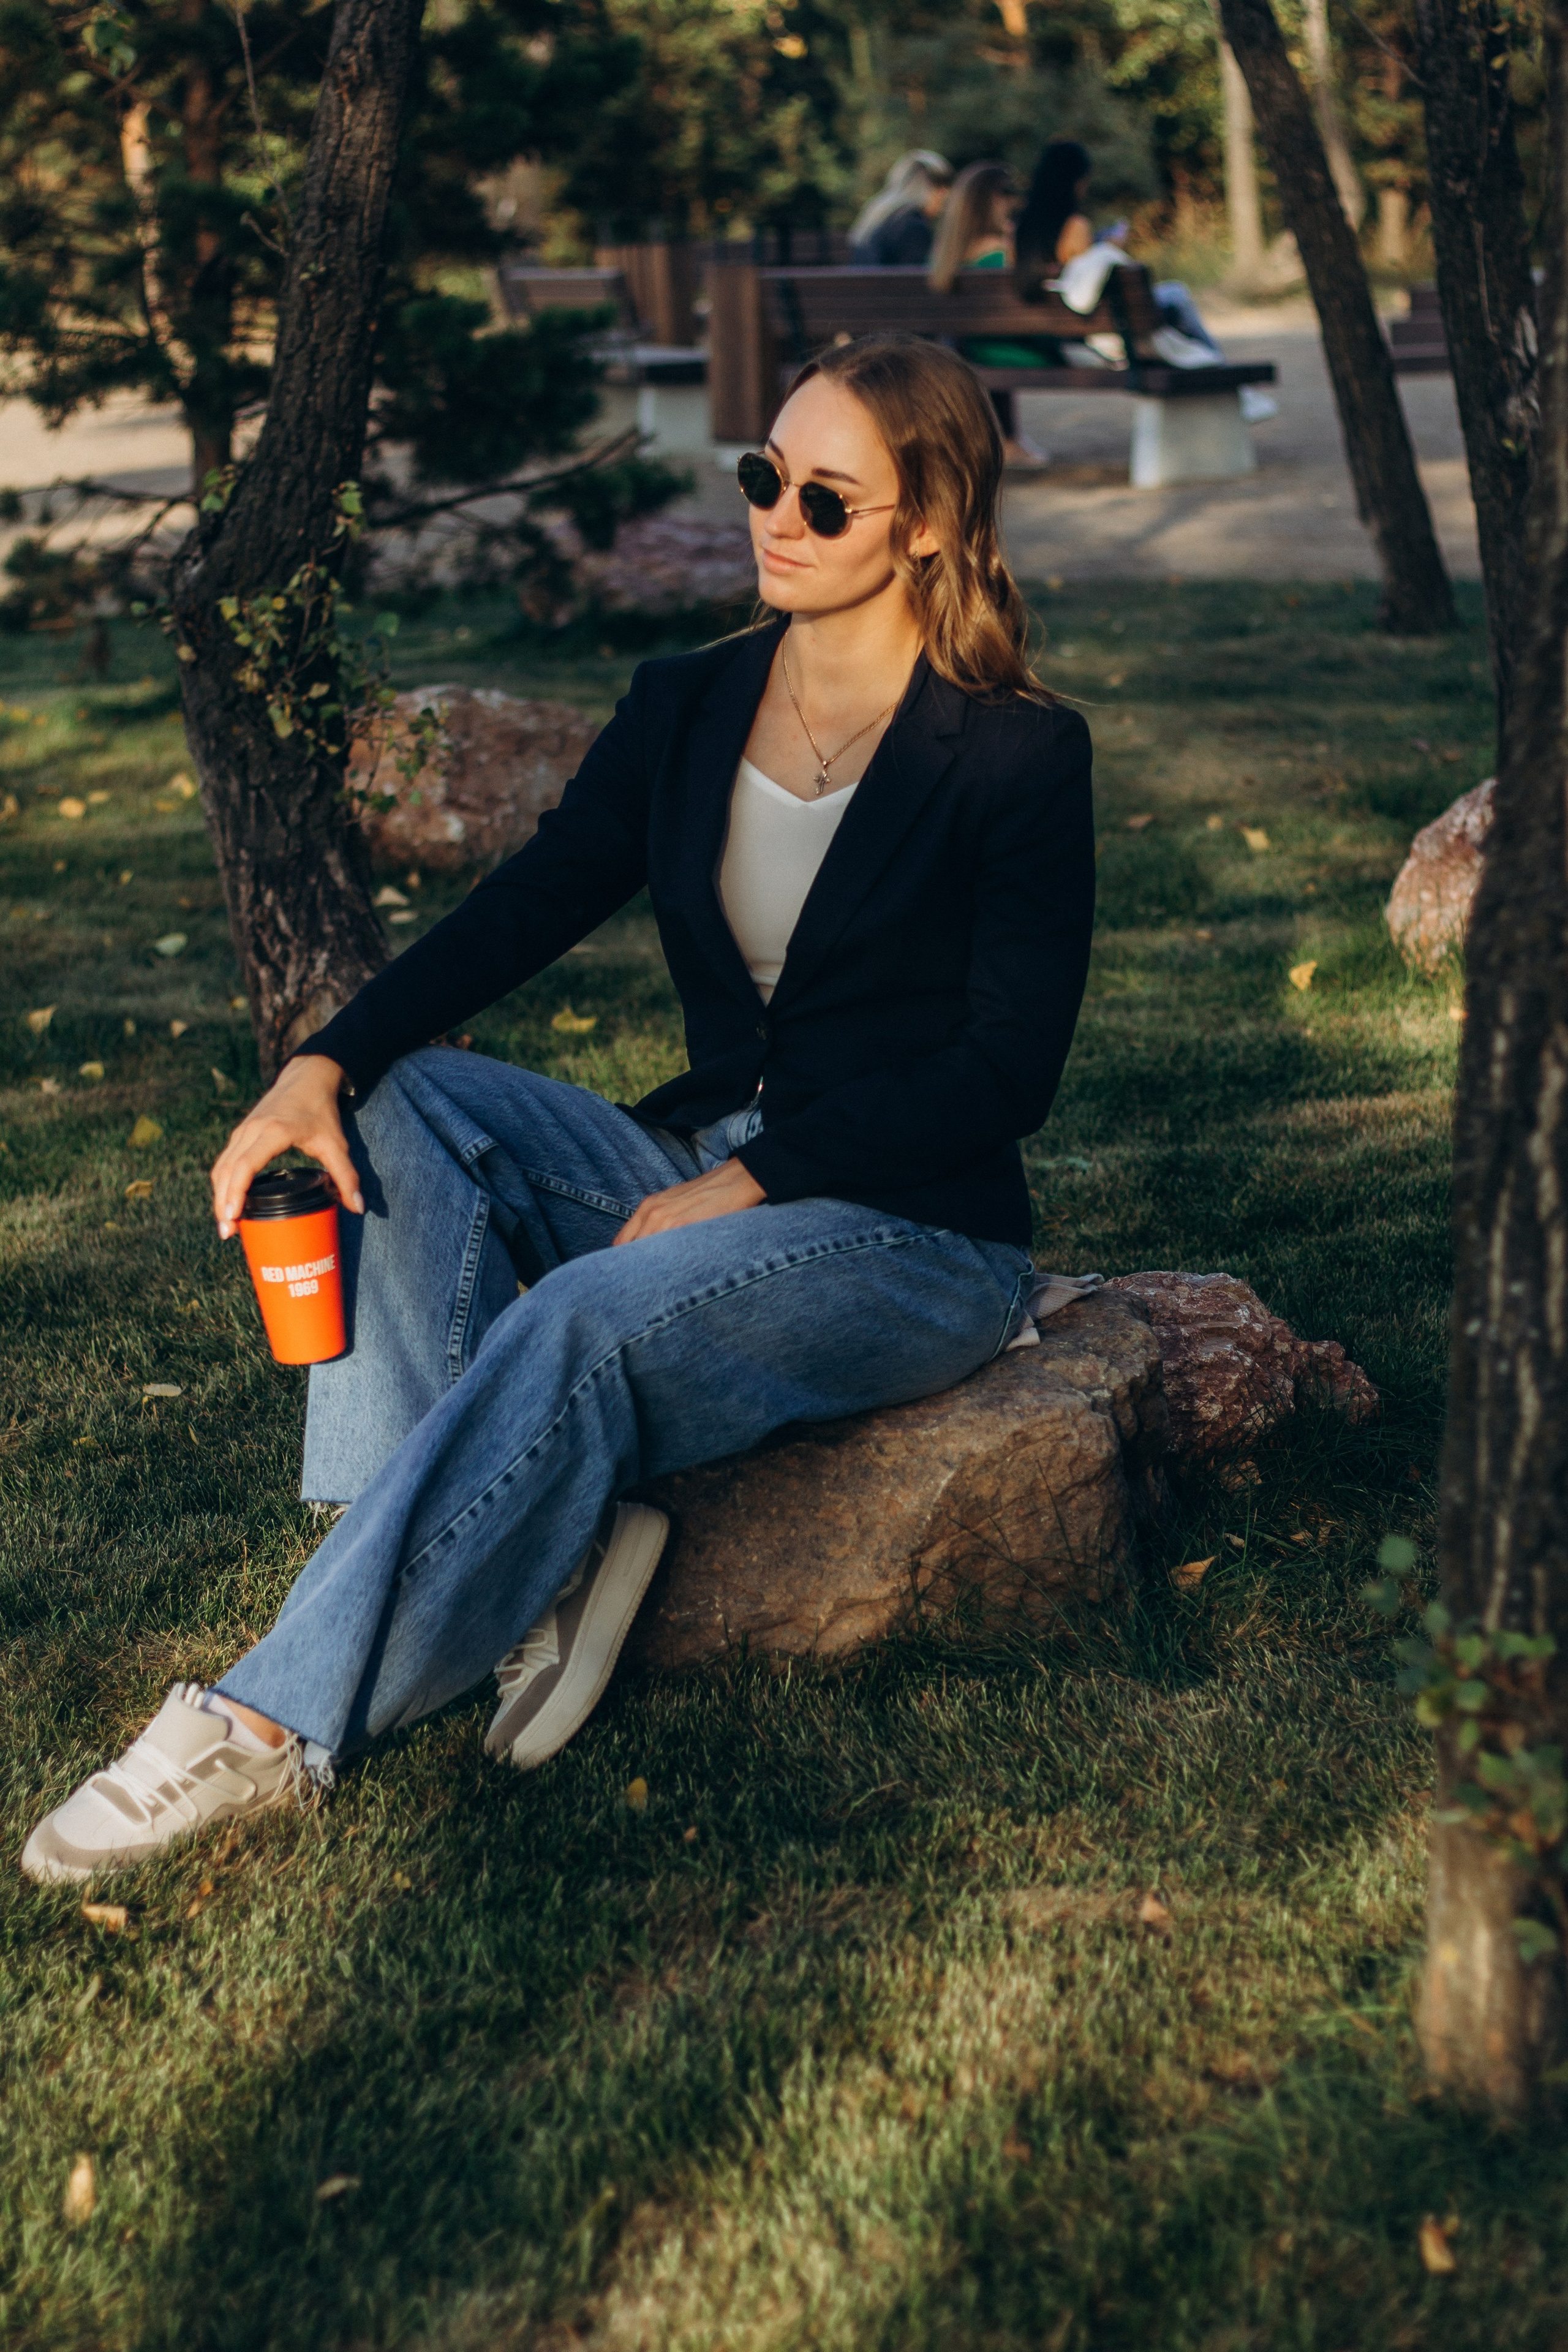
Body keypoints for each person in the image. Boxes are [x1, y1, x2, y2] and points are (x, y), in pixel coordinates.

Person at [20, 334, 1096, 1888]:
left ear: (924, 522)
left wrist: (756, 1183)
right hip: (700, 1153)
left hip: (912, 1229)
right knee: (399, 1107)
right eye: (762, 477)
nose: (774, 517)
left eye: (824, 497)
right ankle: (530, 1556)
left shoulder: (1012, 752)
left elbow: (1008, 1069)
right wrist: (323, 1062)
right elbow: (525, 906)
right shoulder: (689, 701)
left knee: (575, 1319)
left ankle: (266, 1723)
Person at [1013, 137, 1277, 422]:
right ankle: (1224, 375)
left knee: (1174, 304)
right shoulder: (1075, 226)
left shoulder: (1019, 231)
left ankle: (1220, 374)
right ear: (1075, 181)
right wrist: (1110, 248)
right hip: (1093, 338)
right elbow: (1085, 283)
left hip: (1057, 340)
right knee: (1177, 296)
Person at [927, 160, 1054, 469]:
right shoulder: (1002, 251)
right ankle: (1010, 441)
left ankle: (1007, 440)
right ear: (992, 200)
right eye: (1007, 194)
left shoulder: (947, 256)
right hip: (1006, 351)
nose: (1013, 202)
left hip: (967, 350)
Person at [848, 150, 954, 266]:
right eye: (939, 185)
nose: (945, 194)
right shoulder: (913, 228)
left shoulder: (881, 216)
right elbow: (916, 274)